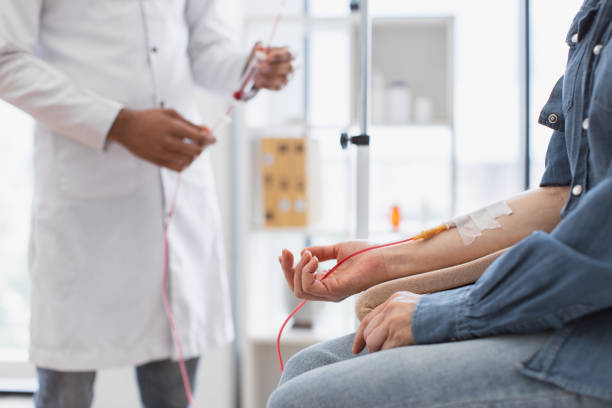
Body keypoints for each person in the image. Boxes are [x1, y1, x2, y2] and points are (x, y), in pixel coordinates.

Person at [270, 0, 612, 407]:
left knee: (305, 401)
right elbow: (560, 198)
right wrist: (386, 260)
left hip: (595, 338)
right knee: (309, 366)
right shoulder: (595, 19)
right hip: (566, 306)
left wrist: (449, 313)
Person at [0, 1, 293, 407]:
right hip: (82, 209)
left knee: (173, 395)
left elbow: (206, 50)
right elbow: (6, 59)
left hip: (176, 198)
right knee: (65, 394)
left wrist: (250, 67)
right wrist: (118, 123)